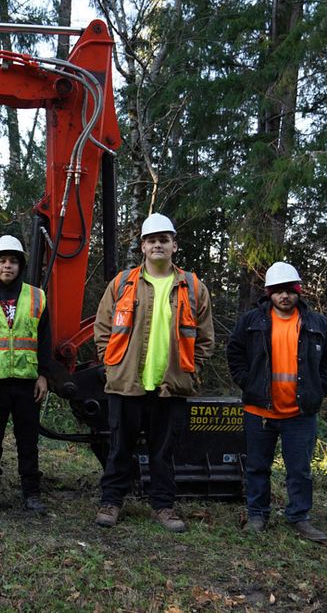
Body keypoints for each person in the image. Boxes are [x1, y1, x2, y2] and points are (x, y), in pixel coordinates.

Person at [91, 213, 214, 532]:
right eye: (151, 240)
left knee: (163, 452)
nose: (157, 244)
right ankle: (111, 502)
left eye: (164, 239)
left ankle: (163, 506)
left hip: (170, 386)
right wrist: (111, 364)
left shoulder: (193, 286)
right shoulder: (122, 283)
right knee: (119, 449)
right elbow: (102, 328)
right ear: (143, 247)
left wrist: (191, 371)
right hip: (126, 384)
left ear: (174, 245)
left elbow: (205, 338)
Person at [227, 262, 327, 543]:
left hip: (300, 412)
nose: (285, 296)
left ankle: (299, 517)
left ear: (298, 292)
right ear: (269, 294)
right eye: (278, 291)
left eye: (290, 291)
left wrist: (321, 388)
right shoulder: (251, 321)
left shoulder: (318, 324)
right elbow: (234, 352)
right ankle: (257, 514)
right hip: (260, 409)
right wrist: (247, 382)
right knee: (256, 466)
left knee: (299, 469)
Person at [0, 235, 51, 515]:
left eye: (13, 261)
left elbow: (45, 340)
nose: (7, 266)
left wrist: (44, 376)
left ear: (20, 265)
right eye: (2, 261)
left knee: (28, 441)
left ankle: (32, 494)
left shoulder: (37, 296)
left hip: (28, 383)